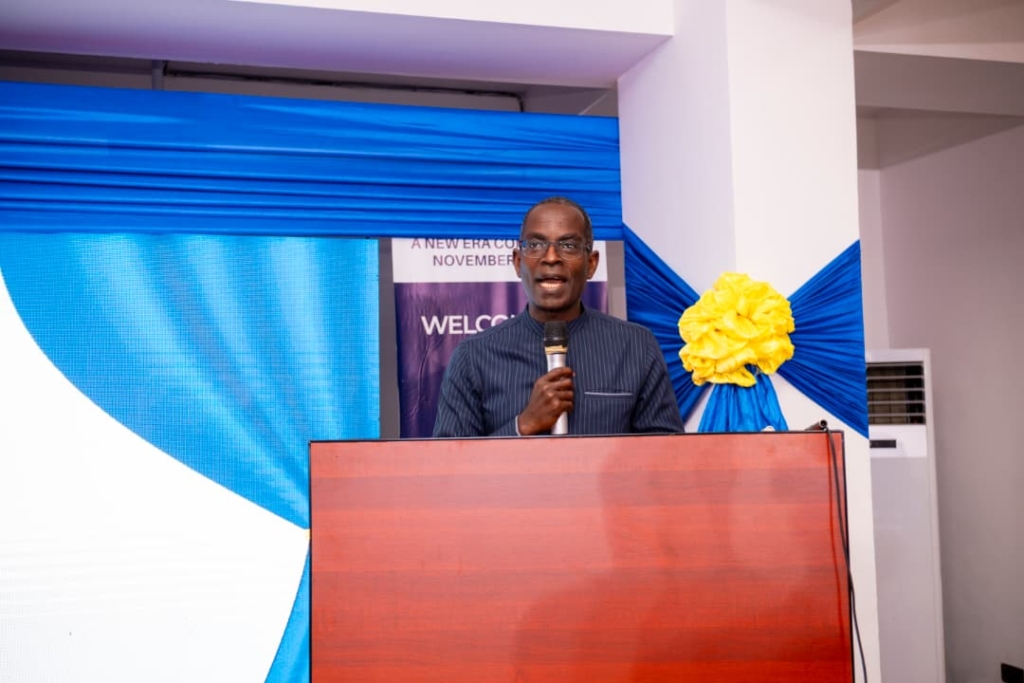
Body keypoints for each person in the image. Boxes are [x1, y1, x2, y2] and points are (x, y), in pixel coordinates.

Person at [432, 197, 685, 437]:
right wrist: (523, 426)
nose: (551, 257)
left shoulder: (636, 347)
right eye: (535, 245)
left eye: (568, 246)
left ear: (591, 264)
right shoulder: (473, 357)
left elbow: (668, 456)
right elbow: (450, 463)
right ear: (518, 262)